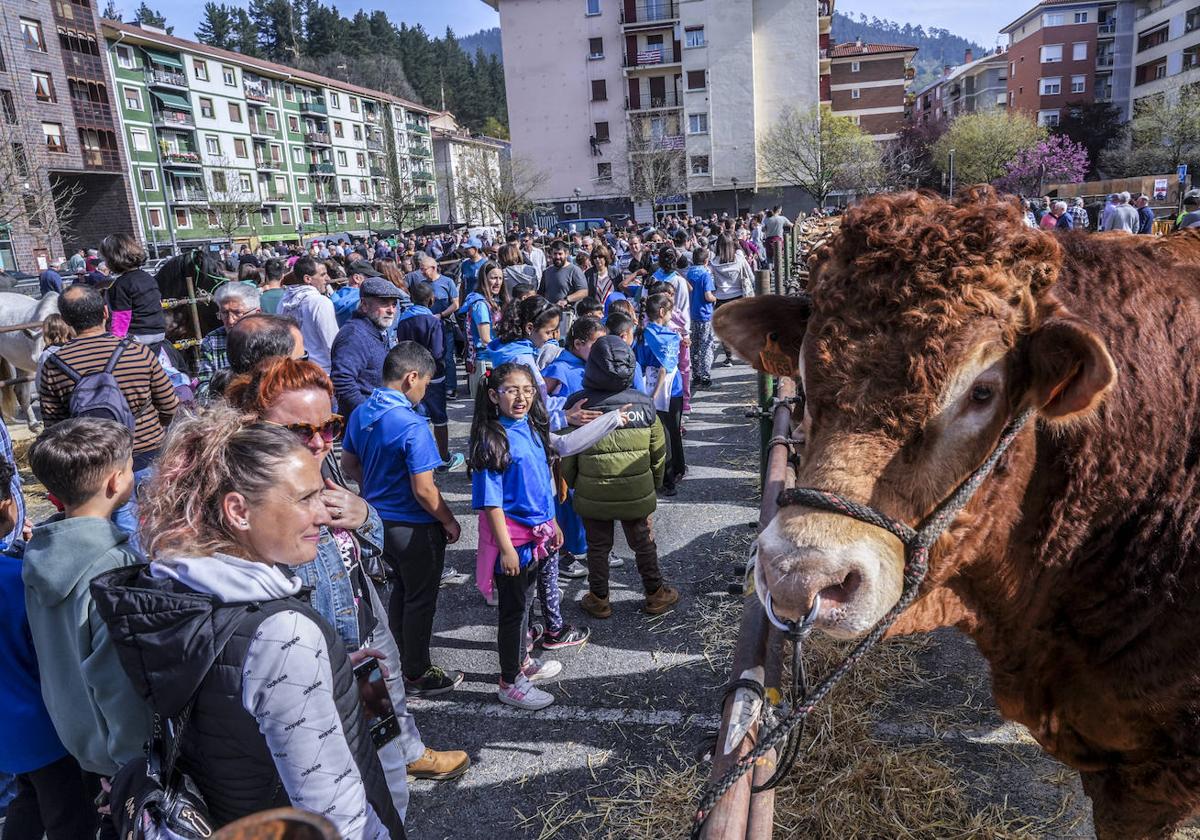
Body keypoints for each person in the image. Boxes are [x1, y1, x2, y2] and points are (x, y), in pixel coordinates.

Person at [91, 409, 406, 838]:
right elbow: (335, 815)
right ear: (238, 510)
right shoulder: (283, 638)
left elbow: (224, 685)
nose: (323, 513)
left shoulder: (170, 590)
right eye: (304, 498)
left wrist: (326, 673)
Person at [225, 358, 470, 814]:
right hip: (323, 663)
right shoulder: (250, 507)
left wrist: (365, 515)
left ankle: (406, 765)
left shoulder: (322, 464)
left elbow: (362, 545)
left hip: (363, 637)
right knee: (345, 788)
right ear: (255, 427)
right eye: (300, 430)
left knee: (386, 764)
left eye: (329, 425)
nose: (318, 441)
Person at [23, 421, 151, 809]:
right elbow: (118, 683)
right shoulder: (115, 567)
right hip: (122, 757)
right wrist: (136, 765)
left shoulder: (38, 552)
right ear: (116, 482)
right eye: (130, 466)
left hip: (78, 738)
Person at [342, 343, 465, 697]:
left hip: (378, 524)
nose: (425, 390)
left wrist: (371, 489)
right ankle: (417, 671)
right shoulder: (412, 425)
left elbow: (349, 463)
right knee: (420, 599)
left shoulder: (362, 411)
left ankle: (397, 661)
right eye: (425, 383)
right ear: (411, 378)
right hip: (414, 526)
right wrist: (449, 519)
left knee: (400, 592)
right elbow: (425, 490)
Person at [0, 453, 100, 840]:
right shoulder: (18, 581)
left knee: (28, 797)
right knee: (70, 818)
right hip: (47, 728)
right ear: (6, 502)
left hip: (10, 733)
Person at [39, 284, 178, 538]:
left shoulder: (54, 365)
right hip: (147, 452)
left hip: (96, 463)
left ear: (67, 321)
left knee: (122, 528)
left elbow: (54, 427)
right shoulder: (137, 352)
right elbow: (169, 405)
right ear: (106, 312)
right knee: (161, 521)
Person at [469, 361, 565, 710]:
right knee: (512, 612)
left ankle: (522, 663)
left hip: (536, 537)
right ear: (494, 396)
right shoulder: (492, 438)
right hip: (513, 543)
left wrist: (552, 522)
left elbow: (544, 484)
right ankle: (509, 681)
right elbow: (491, 503)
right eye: (512, 390)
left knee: (525, 603)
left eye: (528, 390)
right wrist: (507, 549)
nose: (521, 397)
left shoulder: (532, 428)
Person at [563, 336, 679, 620]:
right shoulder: (644, 405)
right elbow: (659, 452)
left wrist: (578, 483)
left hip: (593, 492)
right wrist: (650, 484)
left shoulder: (578, 405)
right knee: (643, 542)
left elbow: (568, 455)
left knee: (598, 546)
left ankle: (599, 599)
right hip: (636, 491)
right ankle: (655, 594)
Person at [393, 283, 464, 471]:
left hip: (410, 375)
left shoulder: (402, 321)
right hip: (433, 376)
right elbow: (439, 351)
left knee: (418, 417)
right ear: (431, 300)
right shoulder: (433, 321)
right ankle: (443, 458)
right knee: (439, 417)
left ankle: (420, 459)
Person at [330, 277, 403, 420]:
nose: (391, 310)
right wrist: (370, 413)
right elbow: (342, 381)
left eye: (394, 305)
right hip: (366, 424)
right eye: (384, 303)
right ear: (364, 304)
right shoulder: (354, 335)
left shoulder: (374, 330)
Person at [637, 293, 686, 496]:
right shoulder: (670, 337)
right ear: (662, 312)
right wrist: (656, 393)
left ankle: (664, 475)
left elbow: (639, 361)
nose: (672, 314)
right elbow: (666, 368)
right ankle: (673, 474)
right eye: (671, 310)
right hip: (670, 389)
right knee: (672, 431)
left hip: (646, 384)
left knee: (657, 434)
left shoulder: (641, 334)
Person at [100, 233, 167, 347]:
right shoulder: (148, 278)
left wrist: (115, 343)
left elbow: (122, 318)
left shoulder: (120, 284)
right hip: (160, 332)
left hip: (138, 336)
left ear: (112, 259)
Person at [198, 282, 261, 400]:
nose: (230, 321)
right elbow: (203, 386)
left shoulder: (270, 337)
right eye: (224, 313)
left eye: (237, 313)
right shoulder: (212, 341)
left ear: (256, 313)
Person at [411, 256, 460, 400]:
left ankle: (451, 387)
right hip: (428, 328)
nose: (422, 272)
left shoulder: (447, 282)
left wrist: (441, 315)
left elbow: (455, 304)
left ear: (433, 268)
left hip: (445, 325)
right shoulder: (422, 284)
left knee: (448, 357)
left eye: (423, 269)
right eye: (420, 269)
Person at [280, 255, 339, 372]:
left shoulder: (283, 301)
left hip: (296, 370)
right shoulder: (320, 302)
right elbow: (332, 343)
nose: (327, 278)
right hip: (322, 371)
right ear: (308, 279)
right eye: (322, 275)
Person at [461, 261, 504, 397]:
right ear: (484, 279)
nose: (498, 282)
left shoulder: (489, 301)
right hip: (486, 360)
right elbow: (486, 339)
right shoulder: (480, 304)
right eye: (493, 278)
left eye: (500, 278)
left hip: (490, 357)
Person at [542, 241, 588, 331]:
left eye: (560, 254)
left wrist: (566, 300)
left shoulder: (574, 270)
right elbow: (541, 293)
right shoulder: (547, 272)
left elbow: (584, 292)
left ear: (566, 254)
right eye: (555, 254)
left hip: (568, 316)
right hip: (550, 315)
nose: (557, 257)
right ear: (551, 254)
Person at [687, 248, 717, 389]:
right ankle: (706, 375)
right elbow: (708, 296)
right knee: (706, 345)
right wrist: (715, 299)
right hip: (705, 315)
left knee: (694, 346)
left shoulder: (689, 273)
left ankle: (696, 375)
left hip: (692, 314)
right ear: (706, 261)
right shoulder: (705, 275)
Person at [33, 314, 74, 394]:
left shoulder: (46, 355)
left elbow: (39, 382)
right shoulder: (74, 347)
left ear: (46, 333)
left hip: (55, 398)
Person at [333, 260, 379, 327]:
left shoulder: (334, 296)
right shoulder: (363, 298)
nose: (374, 281)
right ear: (357, 278)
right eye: (370, 277)